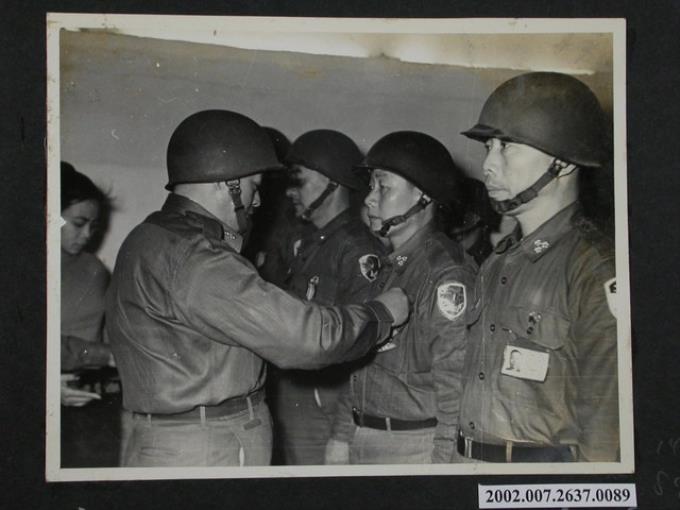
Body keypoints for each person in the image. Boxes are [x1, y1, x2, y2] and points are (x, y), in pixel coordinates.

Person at [105, 110, 409, 467]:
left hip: (167, 436)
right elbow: (305, 337)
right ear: (226, 184)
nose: (258, 201)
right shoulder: (198, 258)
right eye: (254, 187)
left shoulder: (148, 236)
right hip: (205, 445)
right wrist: (381, 314)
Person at [457, 72, 619, 463]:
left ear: (562, 163)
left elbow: (606, 426)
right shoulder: (497, 262)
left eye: (507, 147)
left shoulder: (594, 268)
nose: (488, 164)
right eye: (489, 147)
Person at [325, 131, 477, 464]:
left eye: (383, 187)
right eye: (371, 187)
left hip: (414, 447)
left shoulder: (446, 274)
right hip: (364, 435)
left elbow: (455, 390)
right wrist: (342, 435)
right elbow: (360, 363)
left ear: (423, 196)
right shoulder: (386, 266)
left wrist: (443, 471)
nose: (369, 199)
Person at [272, 129, 388, 465]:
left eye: (300, 181)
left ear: (333, 184)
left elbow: (367, 345)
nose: (291, 191)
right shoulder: (308, 242)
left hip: (328, 403)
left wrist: (343, 430)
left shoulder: (357, 250)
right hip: (298, 395)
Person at [60, 161, 114, 406]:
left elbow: (109, 331)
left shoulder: (94, 269)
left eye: (93, 226)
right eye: (79, 224)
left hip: (86, 393)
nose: (87, 235)